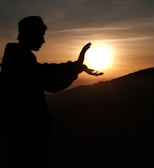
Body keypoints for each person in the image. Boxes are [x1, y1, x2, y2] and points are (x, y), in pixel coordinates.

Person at [1, 16, 103, 168]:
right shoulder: (20, 60)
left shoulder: (18, 58)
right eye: (40, 35)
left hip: (26, 136)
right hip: (28, 138)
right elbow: (47, 77)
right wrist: (77, 66)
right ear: (30, 34)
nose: (43, 41)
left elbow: (45, 72)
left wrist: (76, 66)